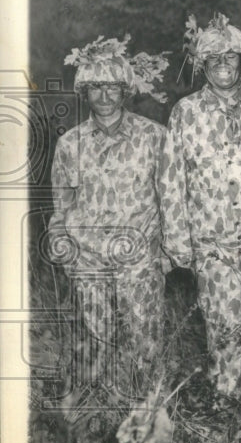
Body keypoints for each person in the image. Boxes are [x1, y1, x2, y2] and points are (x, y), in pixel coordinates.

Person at [159, 13, 241, 399]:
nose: (222, 65)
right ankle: (229, 388)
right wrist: (178, 239)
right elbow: (171, 180)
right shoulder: (186, 113)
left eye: (230, 57)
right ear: (202, 65)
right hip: (212, 238)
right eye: (213, 59)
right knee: (221, 317)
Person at [49, 36, 169, 401]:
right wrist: (64, 249)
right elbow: (62, 203)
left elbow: (170, 197)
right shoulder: (70, 143)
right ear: (84, 91)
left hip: (139, 260)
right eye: (95, 87)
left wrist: (168, 249)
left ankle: (150, 407)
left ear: (126, 90)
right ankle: (109, 408)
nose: (104, 95)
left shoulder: (154, 136)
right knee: (100, 338)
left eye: (112, 87)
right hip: (89, 260)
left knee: (145, 339)